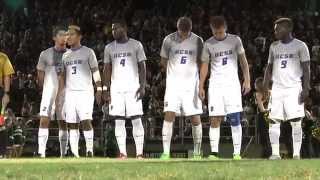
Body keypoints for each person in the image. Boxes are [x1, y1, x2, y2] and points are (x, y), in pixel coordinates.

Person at [199, 16, 251, 160]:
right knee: (215, 119)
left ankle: (236, 153)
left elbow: (243, 61)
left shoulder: (235, 40)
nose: (218, 35)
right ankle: (214, 153)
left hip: (232, 85)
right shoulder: (208, 43)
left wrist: (247, 80)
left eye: (220, 32)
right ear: (212, 30)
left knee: (235, 118)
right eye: (215, 33)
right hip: (215, 85)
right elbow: (204, 66)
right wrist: (201, 85)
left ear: (225, 28)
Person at [263, 17, 310, 160]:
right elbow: (269, 67)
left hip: (293, 88)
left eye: (278, 28)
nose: (275, 31)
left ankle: (296, 154)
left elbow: (306, 69)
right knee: (273, 120)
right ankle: (275, 153)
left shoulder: (300, 46)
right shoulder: (273, 46)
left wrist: (306, 88)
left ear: (288, 28)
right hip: (277, 88)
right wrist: (265, 85)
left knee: (296, 121)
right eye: (275, 28)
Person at [159, 17, 203, 160]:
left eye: (186, 31)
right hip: (173, 86)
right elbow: (163, 61)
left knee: (195, 117)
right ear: (177, 28)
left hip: (191, 86)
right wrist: (174, 74)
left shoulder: (198, 40)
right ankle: (165, 152)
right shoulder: (168, 39)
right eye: (181, 31)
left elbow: (202, 62)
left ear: (190, 28)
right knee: (169, 115)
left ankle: (197, 152)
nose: (183, 34)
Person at [103, 19, 146, 159]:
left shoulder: (136, 45)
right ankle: (123, 153)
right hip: (116, 89)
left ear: (125, 28)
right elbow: (106, 69)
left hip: (133, 87)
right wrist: (106, 89)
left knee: (136, 119)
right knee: (119, 120)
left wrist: (142, 85)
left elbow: (142, 66)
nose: (114, 31)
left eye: (116, 28)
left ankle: (139, 153)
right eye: (112, 29)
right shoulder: (109, 47)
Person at [57, 25, 102, 157]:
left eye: (71, 34)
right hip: (70, 93)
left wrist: (99, 88)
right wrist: (60, 94)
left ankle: (89, 150)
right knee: (72, 124)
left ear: (79, 36)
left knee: (86, 121)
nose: (68, 37)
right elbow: (63, 77)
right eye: (67, 35)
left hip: (85, 92)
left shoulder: (88, 52)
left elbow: (95, 71)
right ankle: (75, 153)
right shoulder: (65, 55)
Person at [37, 26, 68, 158]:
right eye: (61, 35)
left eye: (66, 35)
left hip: (65, 91)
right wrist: (42, 88)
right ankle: (41, 152)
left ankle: (63, 153)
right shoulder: (45, 54)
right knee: (44, 119)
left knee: (63, 121)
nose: (64, 37)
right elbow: (40, 73)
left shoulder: (72, 54)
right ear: (54, 37)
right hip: (49, 89)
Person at [0, 51, 15, 158]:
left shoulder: (3, 57)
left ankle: (2, 153)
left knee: (0, 123)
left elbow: (7, 76)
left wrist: (6, 93)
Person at [254, 77, 271, 158]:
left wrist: (261, 103)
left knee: (263, 136)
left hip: (263, 116)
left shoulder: (258, 94)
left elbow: (261, 109)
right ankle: (269, 153)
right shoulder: (270, 92)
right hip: (271, 115)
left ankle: (266, 154)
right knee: (269, 135)